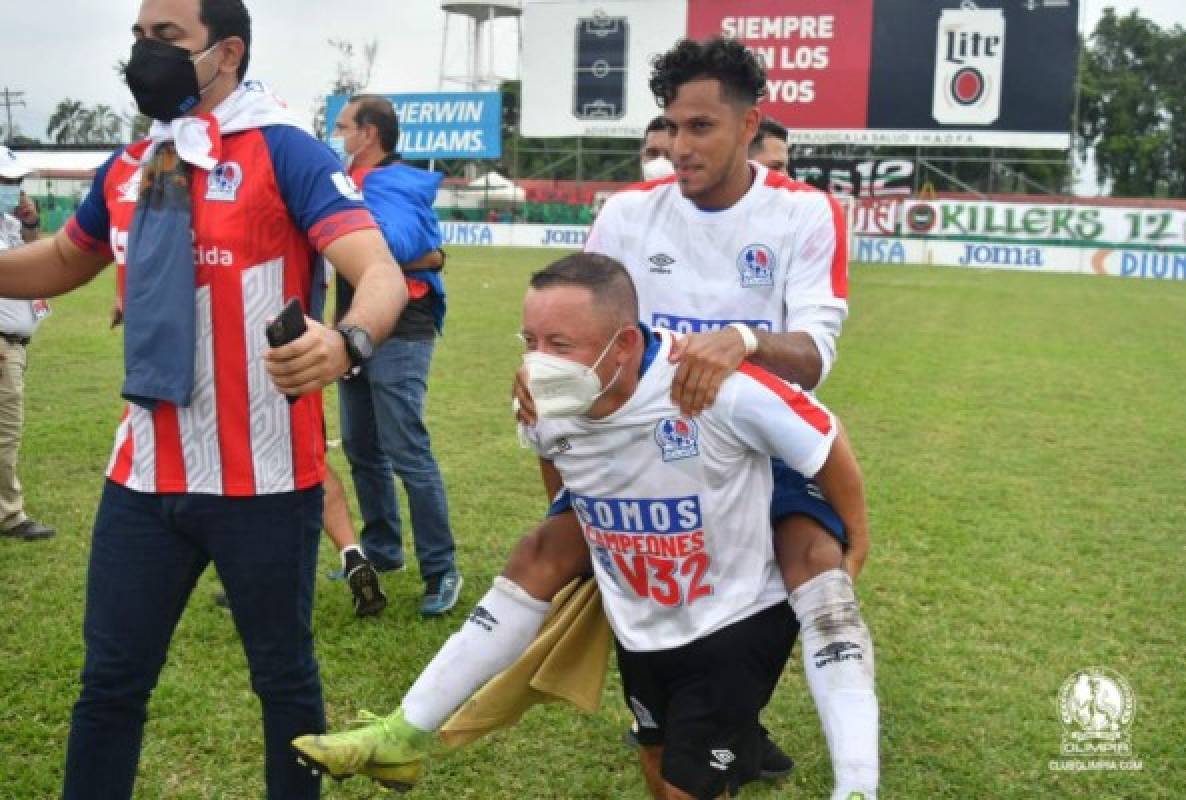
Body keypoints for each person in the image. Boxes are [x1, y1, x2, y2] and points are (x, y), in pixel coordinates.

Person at [302, 35, 879, 800]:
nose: (679, 145)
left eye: (701, 127)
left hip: (752, 437)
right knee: (544, 546)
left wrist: (741, 339)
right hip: (637, 442)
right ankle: (402, 735)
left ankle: (857, 784)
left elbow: (813, 356)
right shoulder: (628, 214)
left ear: (750, 125)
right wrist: (545, 370)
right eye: (671, 126)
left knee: (816, 565)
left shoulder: (804, 213)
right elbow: (588, 315)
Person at [0, 1, 408, 797]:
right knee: (109, 686)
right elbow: (60, 259)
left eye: (165, 39)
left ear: (226, 53)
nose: (141, 54)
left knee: (283, 686)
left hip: (264, 482)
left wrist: (346, 340)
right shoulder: (131, 166)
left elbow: (380, 271)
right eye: (137, 37)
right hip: (142, 481)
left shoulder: (283, 150)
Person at [293, 253, 870, 800]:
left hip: (735, 615)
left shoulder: (711, 386)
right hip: (641, 618)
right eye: (531, 341)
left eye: (560, 344)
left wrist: (857, 540)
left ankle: (857, 784)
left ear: (622, 346)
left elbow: (822, 441)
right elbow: (560, 465)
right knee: (655, 756)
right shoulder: (542, 400)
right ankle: (402, 734)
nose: (539, 360)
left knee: (682, 785)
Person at [330, 94, 462, 617]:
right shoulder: (348, 184)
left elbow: (390, 243)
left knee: (407, 449)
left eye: (343, 128)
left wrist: (430, 256)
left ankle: (441, 569)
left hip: (403, 328)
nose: (337, 137)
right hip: (355, 327)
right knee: (362, 448)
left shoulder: (391, 181)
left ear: (369, 134)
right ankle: (383, 551)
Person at [0, 146, 55, 541]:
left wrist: (31, 226)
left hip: (16, 344)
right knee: (6, 431)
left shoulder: (8, 225)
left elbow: (36, 262)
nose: (15, 190)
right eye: (6, 182)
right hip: (3, 346)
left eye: (17, 182)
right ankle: (9, 514)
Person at [640, 115, 673, 181]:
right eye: (652, 153)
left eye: (670, 155)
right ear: (642, 156)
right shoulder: (630, 191)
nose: (660, 164)